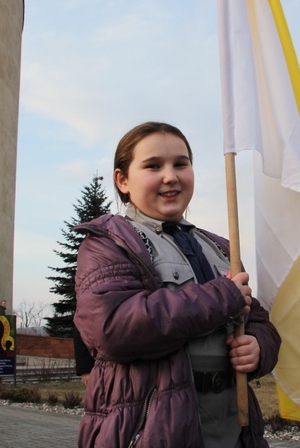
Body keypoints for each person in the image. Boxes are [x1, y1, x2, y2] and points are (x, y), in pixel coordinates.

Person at [74, 122, 281, 447]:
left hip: (233, 432)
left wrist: (258, 348)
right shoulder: (109, 244)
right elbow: (113, 329)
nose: (170, 176)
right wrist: (220, 297)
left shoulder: (223, 247)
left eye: (181, 164)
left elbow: (258, 320)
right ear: (123, 180)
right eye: (153, 165)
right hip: (153, 433)